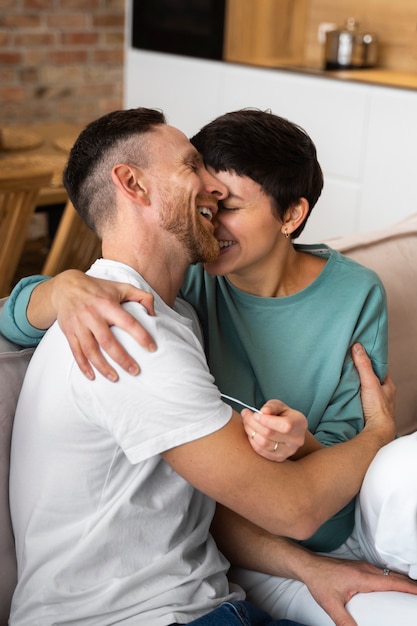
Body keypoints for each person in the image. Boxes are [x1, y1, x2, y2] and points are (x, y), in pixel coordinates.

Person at [2, 108, 416, 626]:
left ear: (292, 216)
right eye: (192, 167)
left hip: (219, 587)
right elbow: (295, 507)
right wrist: (380, 431)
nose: (209, 190)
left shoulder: (176, 312)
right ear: (133, 183)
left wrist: (309, 453)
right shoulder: (133, 332)